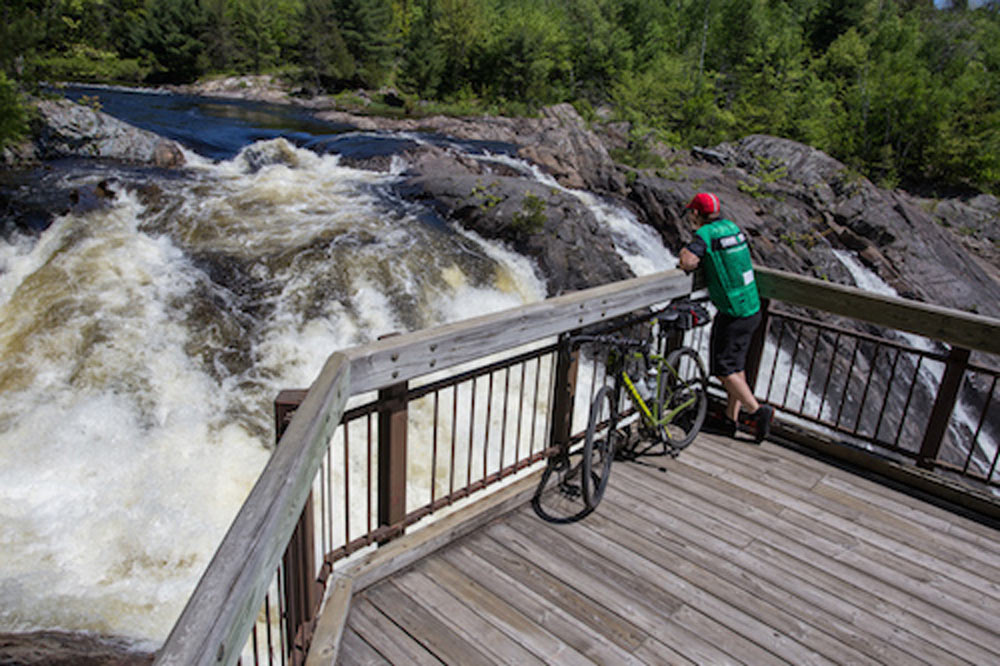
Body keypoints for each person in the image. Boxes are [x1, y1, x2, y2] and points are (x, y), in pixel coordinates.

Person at [677, 192, 773, 442]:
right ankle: (730, 420)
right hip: (751, 307)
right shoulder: (731, 227)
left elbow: (688, 261)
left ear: (697, 214)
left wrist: (685, 252)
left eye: (691, 212)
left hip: (733, 311)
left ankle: (757, 411)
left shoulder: (705, 235)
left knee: (723, 369)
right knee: (737, 366)